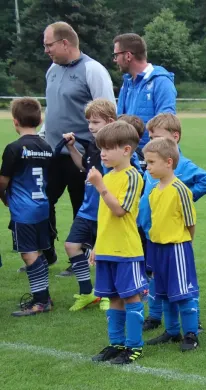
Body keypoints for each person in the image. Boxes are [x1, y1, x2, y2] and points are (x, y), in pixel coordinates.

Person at [42, 21, 115, 274]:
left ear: (65, 43)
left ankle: (80, 259)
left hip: (81, 155)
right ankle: (45, 251)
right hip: (52, 153)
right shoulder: (52, 69)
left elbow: (108, 111)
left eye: (49, 45)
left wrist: (103, 149)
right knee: (42, 202)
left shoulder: (92, 70)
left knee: (80, 206)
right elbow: (52, 109)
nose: (46, 50)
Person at [138, 113, 206, 332]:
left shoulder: (182, 166)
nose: (152, 141)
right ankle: (155, 316)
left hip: (174, 237)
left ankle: (193, 324)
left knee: (183, 282)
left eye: (157, 137)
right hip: (151, 231)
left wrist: (184, 198)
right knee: (154, 278)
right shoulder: (152, 164)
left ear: (175, 136)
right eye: (150, 137)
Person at [88, 121, 146, 365]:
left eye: (109, 148)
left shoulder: (133, 176)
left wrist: (100, 186)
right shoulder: (108, 176)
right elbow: (104, 218)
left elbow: (120, 211)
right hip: (107, 249)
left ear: (126, 150)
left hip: (126, 250)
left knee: (131, 297)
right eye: (101, 148)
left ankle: (134, 347)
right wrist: (97, 246)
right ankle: (116, 343)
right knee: (112, 297)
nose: (103, 153)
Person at [142, 137, 201, 351]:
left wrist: (185, 245)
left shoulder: (180, 190)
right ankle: (172, 331)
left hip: (177, 248)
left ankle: (191, 334)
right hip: (157, 249)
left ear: (168, 162)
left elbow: (190, 222)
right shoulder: (154, 191)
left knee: (183, 293)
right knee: (163, 292)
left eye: (151, 162)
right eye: (146, 163)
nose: (147, 167)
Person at [61, 99, 116, 312]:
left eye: (95, 121)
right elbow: (84, 167)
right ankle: (87, 293)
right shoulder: (93, 146)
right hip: (87, 210)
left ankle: (107, 295)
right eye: (89, 122)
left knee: (105, 254)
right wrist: (73, 149)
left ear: (110, 122)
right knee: (71, 246)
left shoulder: (114, 149)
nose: (91, 126)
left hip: (105, 211)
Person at [0, 98, 54, 316]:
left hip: (24, 210)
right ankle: (44, 295)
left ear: (15, 121)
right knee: (38, 252)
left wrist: (5, 198)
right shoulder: (46, 146)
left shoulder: (14, 148)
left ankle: (40, 301)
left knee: (28, 254)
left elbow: (3, 181)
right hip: (42, 206)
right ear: (40, 119)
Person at [113, 33, 177, 149]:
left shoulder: (161, 81)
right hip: (128, 156)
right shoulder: (126, 83)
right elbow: (119, 122)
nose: (114, 60)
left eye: (116, 55)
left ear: (128, 56)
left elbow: (166, 126)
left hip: (151, 158)